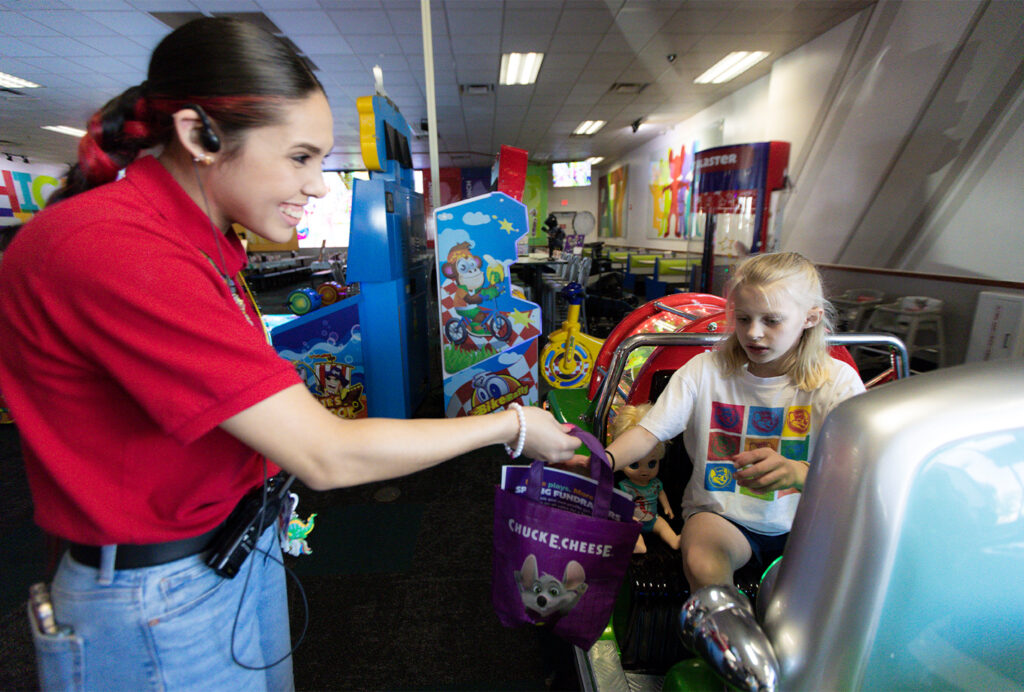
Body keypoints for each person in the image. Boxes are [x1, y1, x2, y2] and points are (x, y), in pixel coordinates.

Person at [0, 17, 579, 692]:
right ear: (199, 136)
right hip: (157, 599)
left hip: (227, 554)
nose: (319, 184)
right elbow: (325, 453)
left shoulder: (202, 244)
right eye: (300, 157)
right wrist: (512, 424)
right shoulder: (115, 248)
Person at [602, 252, 865, 591]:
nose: (753, 333)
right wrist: (601, 462)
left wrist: (800, 472)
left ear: (810, 318)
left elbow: (862, 469)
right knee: (703, 562)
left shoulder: (838, 382)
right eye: (743, 319)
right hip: (722, 518)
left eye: (772, 321)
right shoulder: (704, 371)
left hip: (808, 523)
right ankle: (723, 628)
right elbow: (648, 432)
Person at [609, 403, 680, 554]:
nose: (644, 471)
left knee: (663, 526)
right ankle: (639, 546)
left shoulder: (655, 484)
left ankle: (674, 539)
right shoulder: (624, 486)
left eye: (652, 463)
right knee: (632, 530)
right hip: (634, 520)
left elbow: (661, 493)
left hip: (653, 519)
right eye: (634, 465)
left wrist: (667, 507)